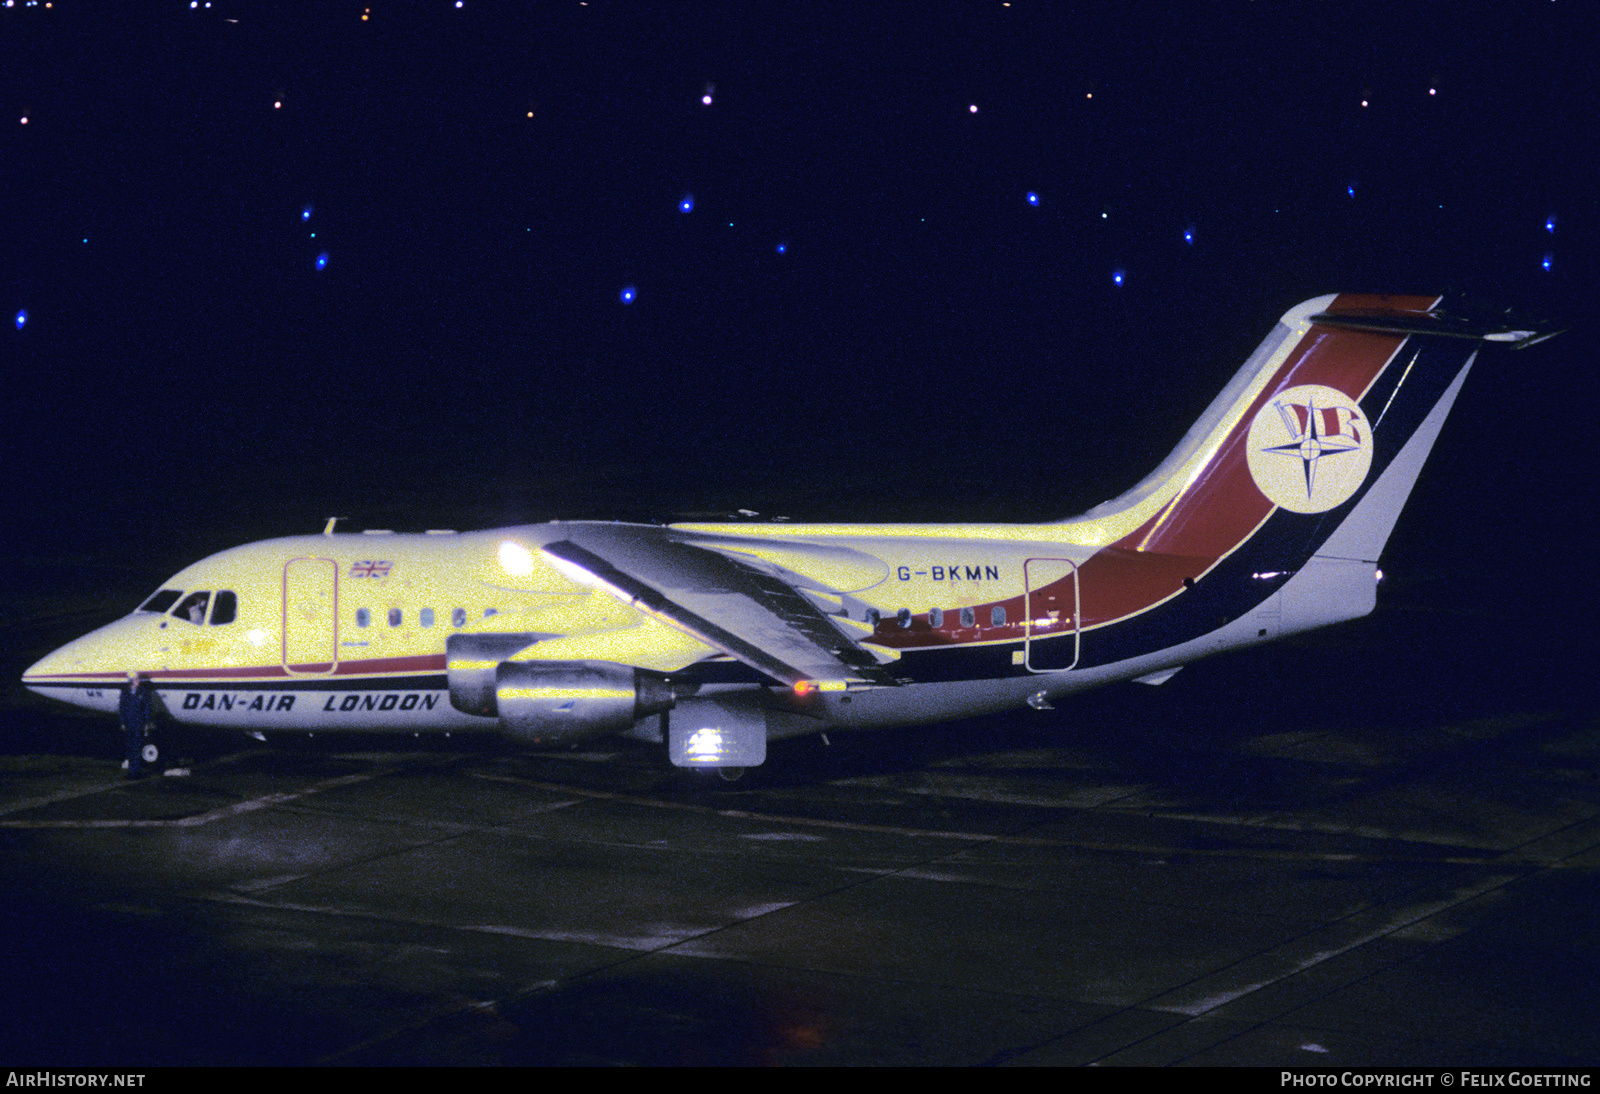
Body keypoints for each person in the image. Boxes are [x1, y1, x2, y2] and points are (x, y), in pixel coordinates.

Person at [118, 671, 155, 779]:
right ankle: (132, 770)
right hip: (129, 724)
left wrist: (147, 722)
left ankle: (135, 772)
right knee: (130, 748)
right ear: (131, 681)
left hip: (139, 724)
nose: (138, 681)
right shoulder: (125, 692)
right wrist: (123, 722)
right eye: (136, 679)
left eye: (138, 679)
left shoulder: (144, 692)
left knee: (137, 747)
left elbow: (147, 708)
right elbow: (122, 708)